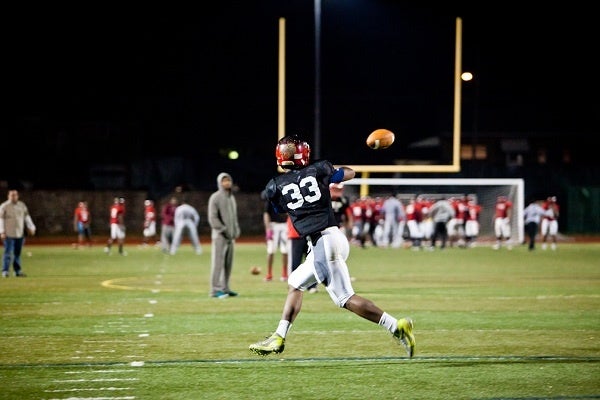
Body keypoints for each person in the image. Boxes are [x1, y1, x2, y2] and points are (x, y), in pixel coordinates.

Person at [248, 135, 415, 357]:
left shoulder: (275, 186)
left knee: (345, 298)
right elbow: (349, 173)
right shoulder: (318, 170)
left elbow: (280, 209)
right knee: (295, 282)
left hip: (321, 243)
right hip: (332, 238)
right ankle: (278, 336)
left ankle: (396, 326)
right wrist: (327, 172)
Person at [208, 172, 241, 299]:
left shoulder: (231, 197)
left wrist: (235, 229)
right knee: (218, 263)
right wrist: (223, 229)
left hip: (231, 237)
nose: (227, 183)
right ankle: (214, 290)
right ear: (219, 183)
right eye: (224, 181)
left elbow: (234, 217)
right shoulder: (215, 197)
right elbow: (213, 218)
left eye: (228, 181)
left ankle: (225, 288)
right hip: (220, 236)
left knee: (228, 264)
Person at [0, 190, 36, 277]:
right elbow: (0, 220)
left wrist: (32, 227)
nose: (13, 197)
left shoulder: (21, 205)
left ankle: (17, 271)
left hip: (19, 234)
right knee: (8, 253)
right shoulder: (4, 206)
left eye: (15, 195)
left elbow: (27, 217)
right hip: (8, 234)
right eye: (12, 195)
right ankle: (5, 271)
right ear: (8, 196)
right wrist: (1, 231)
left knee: (17, 253)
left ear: (17, 196)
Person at [262, 190, 289, 282]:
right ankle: (269, 273)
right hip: (273, 225)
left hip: (285, 225)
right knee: (270, 250)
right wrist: (268, 228)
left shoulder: (285, 199)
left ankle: (285, 273)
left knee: (285, 250)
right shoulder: (270, 200)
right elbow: (266, 214)